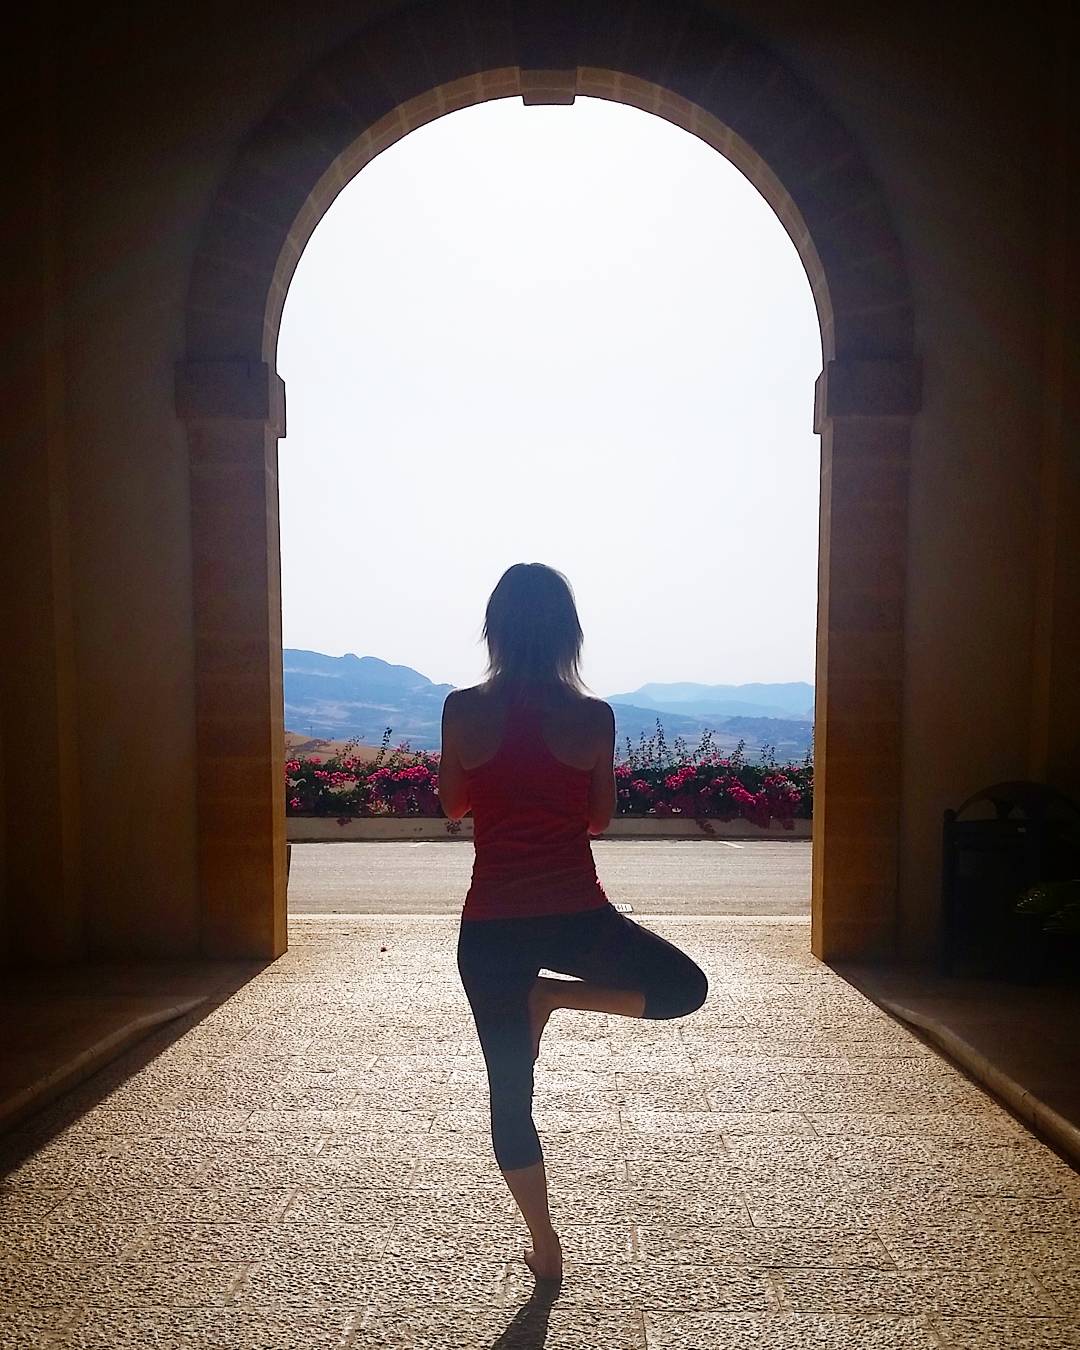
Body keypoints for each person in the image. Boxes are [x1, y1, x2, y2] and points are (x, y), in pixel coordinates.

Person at [437, 562, 709, 1284]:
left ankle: (545, 1242)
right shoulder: (594, 717)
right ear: (569, 633)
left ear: (493, 628)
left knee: (509, 1092)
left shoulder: (461, 709)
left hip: (492, 926)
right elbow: (598, 818)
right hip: (578, 917)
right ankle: (555, 995)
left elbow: (453, 806)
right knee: (685, 988)